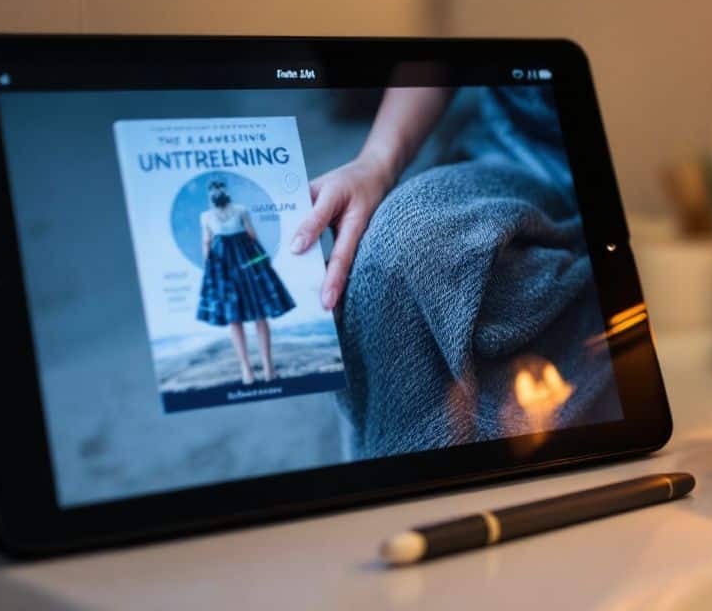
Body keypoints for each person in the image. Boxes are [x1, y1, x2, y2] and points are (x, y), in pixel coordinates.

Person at [290, 87, 621, 457]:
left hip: (590, 173)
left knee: (406, 241)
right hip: (504, 149)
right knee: (390, 244)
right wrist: (376, 164)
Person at [197, 179, 295, 385]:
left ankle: (267, 367)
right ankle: (247, 368)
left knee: (258, 313)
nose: (217, 193)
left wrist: (261, 262)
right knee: (235, 317)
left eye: (219, 189)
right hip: (225, 267)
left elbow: (251, 236)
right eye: (215, 190)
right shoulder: (207, 216)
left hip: (245, 263)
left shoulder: (240, 210)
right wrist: (210, 273)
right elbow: (207, 243)